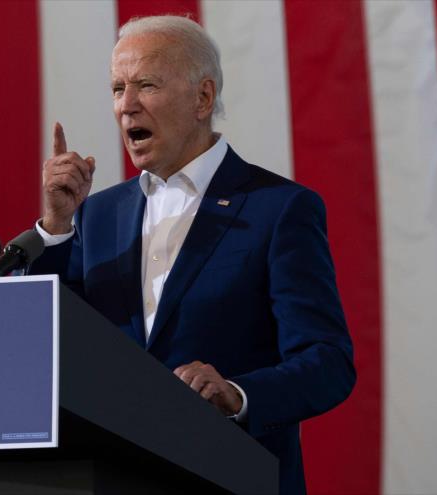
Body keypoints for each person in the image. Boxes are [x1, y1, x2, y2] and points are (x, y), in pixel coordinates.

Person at [28, 15, 355, 495]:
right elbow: (56, 338)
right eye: (118, 88)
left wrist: (239, 394)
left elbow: (328, 362)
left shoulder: (278, 209)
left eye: (146, 85)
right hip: (113, 478)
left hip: (232, 476)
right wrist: (56, 227)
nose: (126, 106)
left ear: (202, 98)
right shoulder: (98, 214)